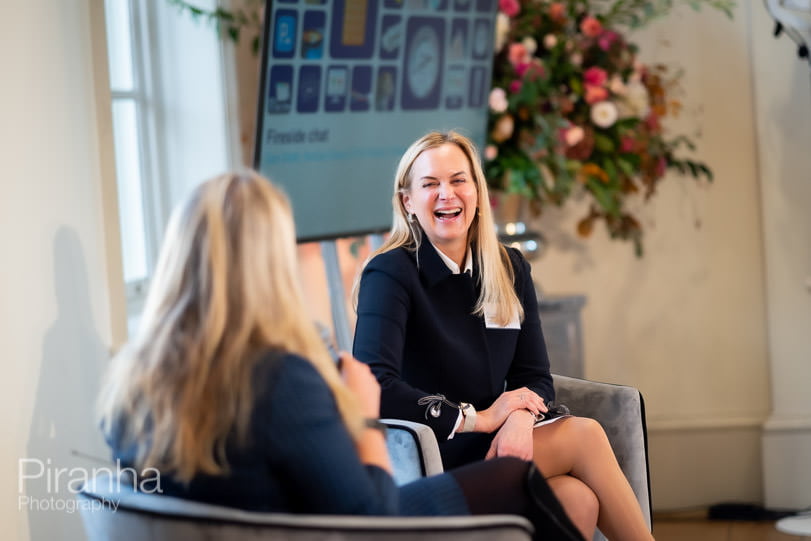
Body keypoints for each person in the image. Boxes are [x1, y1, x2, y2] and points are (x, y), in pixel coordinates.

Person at [96, 171, 585, 540]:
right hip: (347, 526)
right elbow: (369, 518)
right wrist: (363, 414)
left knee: (572, 496)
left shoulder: (133, 381)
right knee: (516, 475)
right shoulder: (281, 379)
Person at [352, 131, 654, 541]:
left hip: (499, 447)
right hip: (431, 457)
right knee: (584, 436)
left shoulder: (508, 267)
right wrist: (479, 418)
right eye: (430, 184)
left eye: (459, 180)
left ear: (477, 191)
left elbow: (535, 376)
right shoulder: (390, 272)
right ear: (407, 201)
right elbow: (374, 386)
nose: (447, 194)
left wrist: (519, 418)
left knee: (577, 500)